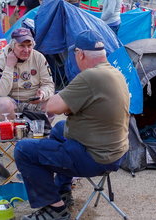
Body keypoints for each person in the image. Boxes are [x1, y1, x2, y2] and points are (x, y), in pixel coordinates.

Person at [14, 30, 130, 220]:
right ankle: (62, 191)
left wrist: (60, 104)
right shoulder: (114, 72)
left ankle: (55, 209)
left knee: (24, 149)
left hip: (94, 158)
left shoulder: (90, 77)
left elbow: (52, 107)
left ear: (80, 54)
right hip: (115, 152)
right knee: (60, 129)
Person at [0, 28, 55, 120]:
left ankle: (41, 131)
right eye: (21, 46)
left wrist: (43, 93)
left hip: (33, 100)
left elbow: (49, 84)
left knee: (54, 102)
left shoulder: (39, 58)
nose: (26, 50)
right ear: (13, 45)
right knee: (4, 104)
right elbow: (2, 92)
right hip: (10, 99)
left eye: (29, 46)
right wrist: (9, 66)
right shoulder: (1, 60)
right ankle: (11, 132)